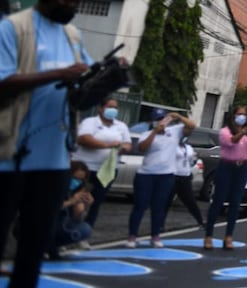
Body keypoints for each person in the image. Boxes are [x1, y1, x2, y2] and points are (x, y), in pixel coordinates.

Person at [0, 0, 91, 288]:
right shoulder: (13, 28)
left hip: (54, 160)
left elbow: (83, 84)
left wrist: (104, 80)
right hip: (9, 155)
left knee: (34, 246)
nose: (70, 7)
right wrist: (58, 74)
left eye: (77, 2)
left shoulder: (73, 36)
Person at [129, 108, 195, 247]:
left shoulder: (174, 131)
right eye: (157, 120)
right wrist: (154, 132)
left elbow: (191, 126)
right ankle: (132, 235)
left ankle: (155, 235)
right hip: (146, 174)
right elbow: (142, 148)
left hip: (165, 175)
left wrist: (178, 116)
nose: (161, 122)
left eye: (162, 119)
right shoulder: (146, 134)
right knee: (140, 206)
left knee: (159, 206)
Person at [204, 105, 247, 250]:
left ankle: (229, 236)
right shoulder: (225, 131)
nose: (242, 117)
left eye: (244, 114)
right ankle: (208, 235)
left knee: (236, 203)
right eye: (239, 114)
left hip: (242, 167)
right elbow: (232, 142)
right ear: (233, 116)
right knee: (218, 201)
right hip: (227, 166)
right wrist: (245, 130)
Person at [75, 95, 132, 227]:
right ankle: (71, 225)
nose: (113, 110)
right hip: (85, 168)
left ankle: (87, 228)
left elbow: (128, 144)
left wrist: (123, 148)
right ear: (101, 109)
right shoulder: (90, 122)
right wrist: (108, 145)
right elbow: (84, 139)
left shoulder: (121, 126)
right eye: (110, 107)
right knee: (78, 198)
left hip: (108, 169)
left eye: (116, 108)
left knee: (96, 201)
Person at [50, 160, 94, 256]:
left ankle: (55, 245)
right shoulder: (55, 186)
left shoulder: (75, 191)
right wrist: (71, 201)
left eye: (80, 180)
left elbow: (77, 218)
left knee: (85, 229)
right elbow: (50, 207)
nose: (76, 182)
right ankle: (47, 245)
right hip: (46, 223)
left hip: (61, 223)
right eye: (74, 178)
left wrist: (84, 204)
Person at [169, 132, 205, 227]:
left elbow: (191, 161)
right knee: (166, 201)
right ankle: (159, 225)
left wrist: (195, 159)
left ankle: (200, 221)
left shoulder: (188, 148)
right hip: (173, 176)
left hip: (185, 176)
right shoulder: (172, 147)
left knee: (190, 200)